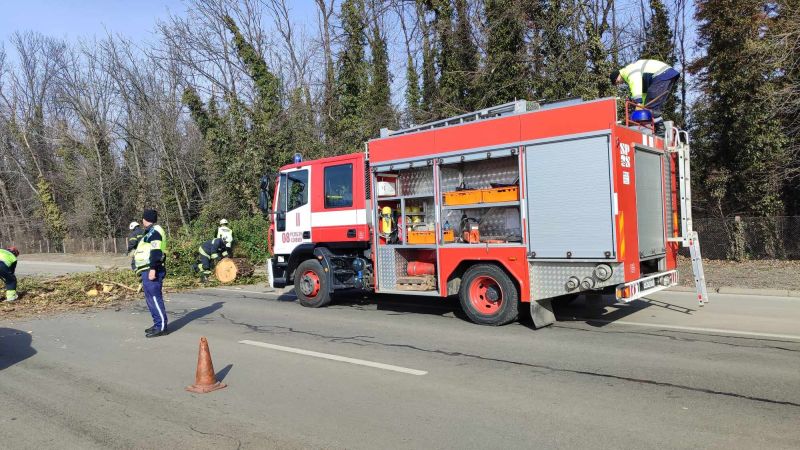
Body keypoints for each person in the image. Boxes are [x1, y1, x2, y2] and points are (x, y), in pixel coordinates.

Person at [611, 59, 680, 127]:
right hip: (665, 75)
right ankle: (658, 126)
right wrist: (642, 106)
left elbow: (636, 84)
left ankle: (660, 128)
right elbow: (644, 94)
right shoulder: (632, 74)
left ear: (617, 76)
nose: (619, 84)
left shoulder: (628, 72)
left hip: (662, 74)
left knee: (651, 106)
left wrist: (638, 103)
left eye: (617, 82)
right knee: (650, 106)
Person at [133, 209, 169, 338]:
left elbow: (156, 251)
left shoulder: (155, 231)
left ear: (144, 219)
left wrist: (153, 269)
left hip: (152, 269)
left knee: (154, 298)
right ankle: (157, 324)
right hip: (146, 269)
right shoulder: (149, 232)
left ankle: (161, 327)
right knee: (150, 300)